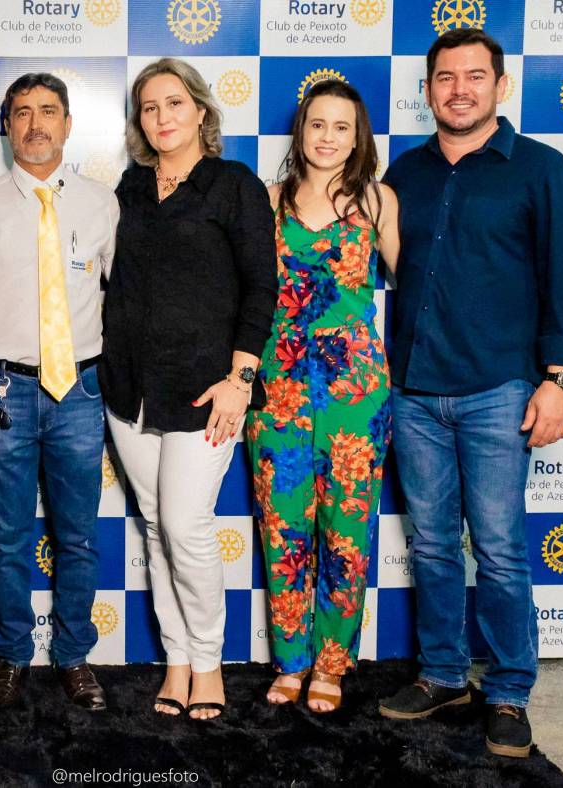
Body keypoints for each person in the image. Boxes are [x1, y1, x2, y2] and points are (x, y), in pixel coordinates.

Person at [377, 28, 563, 758]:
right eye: (446, 77)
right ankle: (443, 675)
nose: (459, 89)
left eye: (474, 76)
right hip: (413, 390)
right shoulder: (405, 173)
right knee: (433, 545)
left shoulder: (540, 168)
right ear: (428, 90)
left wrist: (559, 380)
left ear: (501, 86)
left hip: (499, 388)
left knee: (498, 548)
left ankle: (507, 691)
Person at [0, 73, 118, 712]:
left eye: (48, 111)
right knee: (7, 537)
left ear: (68, 124)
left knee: (78, 536)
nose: (36, 124)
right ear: (6, 125)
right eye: (22, 112)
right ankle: (12, 656)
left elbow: (126, 301)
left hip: (81, 390)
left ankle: (74, 657)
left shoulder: (102, 205)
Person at [100, 58, 276, 720]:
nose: (162, 117)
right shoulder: (130, 187)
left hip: (207, 391)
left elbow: (262, 288)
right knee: (155, 527)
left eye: (174, 103)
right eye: (149, 107)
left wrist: (241, 379)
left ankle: (208, 662)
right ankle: (176, 660)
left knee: (185, 524)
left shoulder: (234, 186)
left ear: (201, 111)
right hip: (129, 390)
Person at [246, 79, 398, 714]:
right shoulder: (268, 199)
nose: (328, 137)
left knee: (345, 531)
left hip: (354, 394)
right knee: (282, 528)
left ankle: (331, 666)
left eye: (342, 126)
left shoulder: (378, 199)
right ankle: (291, 662)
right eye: (317, 124)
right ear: (300, 131)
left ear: (357, 136)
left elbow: (417, 283)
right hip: (277, 388)